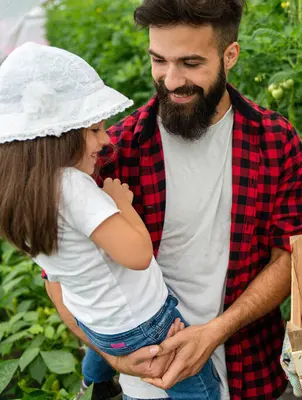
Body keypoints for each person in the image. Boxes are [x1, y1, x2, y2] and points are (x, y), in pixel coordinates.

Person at [36, 0, 302, 399]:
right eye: (159, 60)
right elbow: (59, 277)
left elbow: (288, 255)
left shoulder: (274, 140)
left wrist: (216, 331)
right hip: (149, 380)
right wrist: (112, 357)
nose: (171, 79)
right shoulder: (118, 151)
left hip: (249, 369)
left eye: (191, 63)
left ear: (229, 55)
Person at [0, 42, 222, 400]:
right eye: (94, 130)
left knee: (103, 341)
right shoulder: (73, 187)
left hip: (97, 324)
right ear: (58, 138)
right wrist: (121, 204)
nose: (106, 140)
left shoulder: (20, 194)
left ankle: (94, 382)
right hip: (144, 325)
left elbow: (56, 275)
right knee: (199, 386)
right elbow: (136, 255)